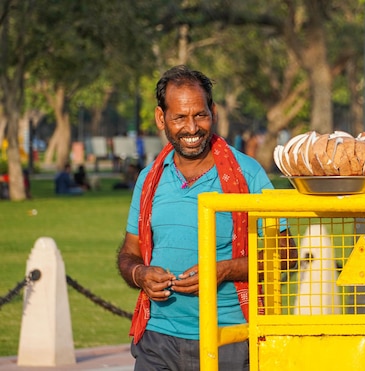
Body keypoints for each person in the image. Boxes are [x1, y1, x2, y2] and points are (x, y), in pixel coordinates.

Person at [116, 65, 297, 370]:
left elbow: (288, 255)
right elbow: (129, 254)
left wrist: (223, 271)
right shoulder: (149, 180)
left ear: (213, 111)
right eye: (179, 118)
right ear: (161, 118)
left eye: (200, 115)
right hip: (158, 341)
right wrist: (140, 275)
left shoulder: (248, 174)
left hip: (230, 340)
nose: (192, 127)